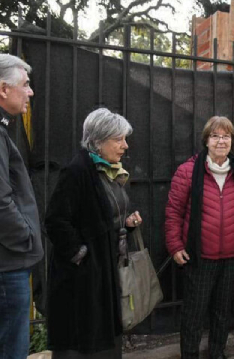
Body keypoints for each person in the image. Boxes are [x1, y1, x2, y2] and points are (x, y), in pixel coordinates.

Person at [164, 116, 234, 359]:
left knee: (222, 311)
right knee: (194, 312)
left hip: (231, 256)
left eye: (226, 136)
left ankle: (217, 353)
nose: (221, 141)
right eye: (215, 136)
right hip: (200, 257)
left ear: (232, 141)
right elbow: (173, 212)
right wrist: (175, 245)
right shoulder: (188, 171)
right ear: (206, 140)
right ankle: (190, 354)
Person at [46, 108, 141, 358]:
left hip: (102, 271)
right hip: (82, 279)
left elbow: (102, 216)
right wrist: (81, 254)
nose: (125, 145)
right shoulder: (77, 171)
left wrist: (126, 224)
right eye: (118, 139)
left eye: (124, 138)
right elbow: (56, 220)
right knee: (81, 342)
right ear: (98, 141)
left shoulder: (107, 171)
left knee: (102, 340)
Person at [0, 53, 43, 359]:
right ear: (3, 88)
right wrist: (24, 239)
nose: (30, 92)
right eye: (25, 84)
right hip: (1, 265)